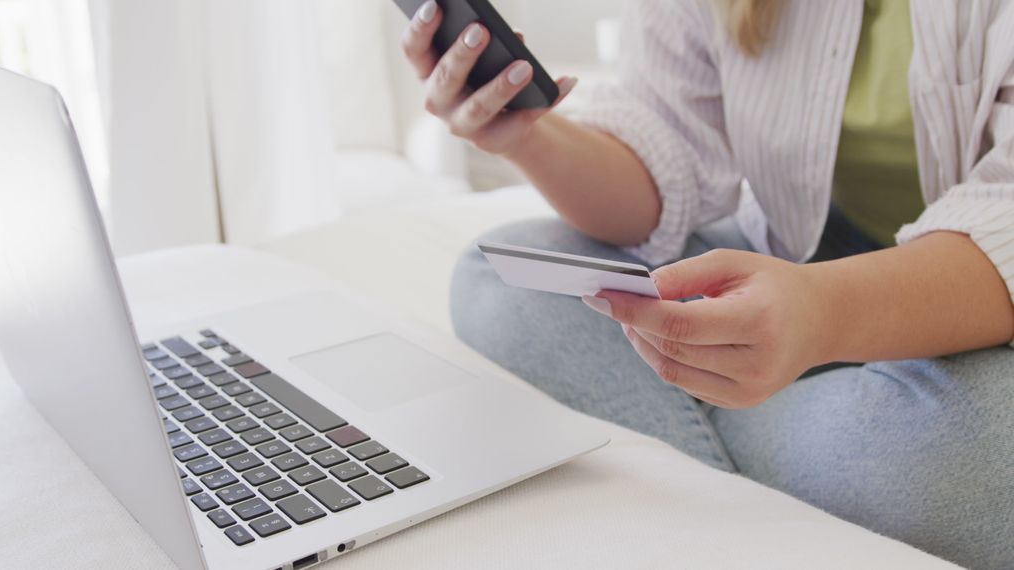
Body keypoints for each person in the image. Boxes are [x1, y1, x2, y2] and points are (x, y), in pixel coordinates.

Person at [401, 1, 1014, 567]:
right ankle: (788, 459)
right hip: (801, 253)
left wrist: (822, 313)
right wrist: (525, 134)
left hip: (975, 294)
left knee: (985, 452)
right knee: (502, 283)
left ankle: (703, 474)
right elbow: (664, 163)